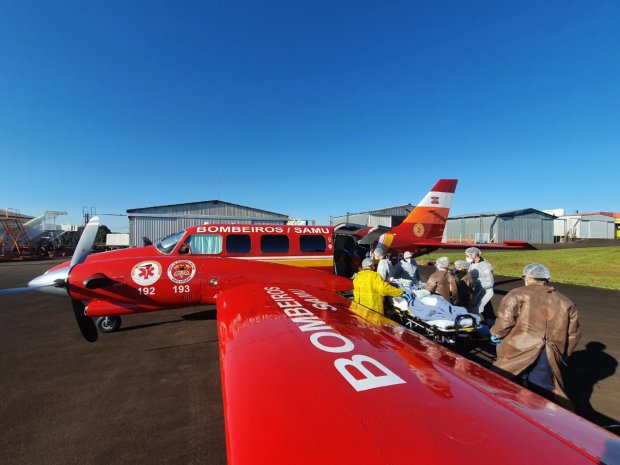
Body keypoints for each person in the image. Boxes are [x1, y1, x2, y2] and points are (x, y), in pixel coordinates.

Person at [490, 263, 581, 408]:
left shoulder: (517, 294)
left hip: (518, 348)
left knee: (509, 382)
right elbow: (573, 333)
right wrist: (565, 353)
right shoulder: (565, 301)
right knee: (541, 388)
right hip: (550, 351)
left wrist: (496, 334)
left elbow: (505, 321)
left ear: (529, 277)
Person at [465, 247, 494, 318]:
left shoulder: (485, 265)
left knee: (483, 305)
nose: (467, 257)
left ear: (474, 255)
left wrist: (479, 288)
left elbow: (489, 282)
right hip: (476, 290)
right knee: (479, 306)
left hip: (484, 290)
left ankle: (491, 322)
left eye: (468, 255)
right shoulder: (471, 264)